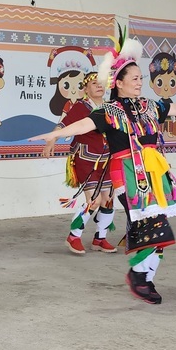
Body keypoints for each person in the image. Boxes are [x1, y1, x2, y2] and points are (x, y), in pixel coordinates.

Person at [30, 33, 176, 304]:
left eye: (141, 78)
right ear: (118, 83)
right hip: (128, 173)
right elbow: (83, 125)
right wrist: (55, 134)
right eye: (135, 78)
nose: (140, 82)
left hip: (154, 171)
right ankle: (139, 276)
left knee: (156, 232)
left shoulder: (148, 106)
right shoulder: (109, 111)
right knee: (155, 228)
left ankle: (142, 276)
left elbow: (173, 108)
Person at [42, 71, 116, 255]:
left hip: (106, 159)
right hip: (85, 159)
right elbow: (62, 125)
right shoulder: (80, 107)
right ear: (85, 89)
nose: (99, 86)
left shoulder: (110, 107)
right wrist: (51, 141)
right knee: (94, 201)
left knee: (108, 200)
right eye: (94, 83)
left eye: (101, 83)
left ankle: (100, 239)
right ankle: (74, 236)